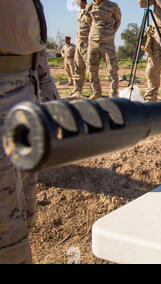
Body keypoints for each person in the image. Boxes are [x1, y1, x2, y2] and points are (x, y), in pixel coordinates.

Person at [0, 0, 59, 264]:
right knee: (6, 229)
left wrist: (45, 85)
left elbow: (35, 38)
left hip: (27, 87)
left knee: (24, 211)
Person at [85, 0, 121, 100]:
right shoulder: (90, 7)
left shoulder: (112, 6)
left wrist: (111, 33)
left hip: (108, 41)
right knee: (92, 68)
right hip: (93, 41)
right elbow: (88, 20)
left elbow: (118, 20)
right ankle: (96, 92)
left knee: (112, 68)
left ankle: (113, 93)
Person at [69, 0, 91, 98]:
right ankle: (77, 89)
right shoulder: (79, 12)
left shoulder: (90, 10)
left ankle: (94, 91)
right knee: (78, 67)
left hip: (87, 42)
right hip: (79, 42)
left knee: (90, 67)